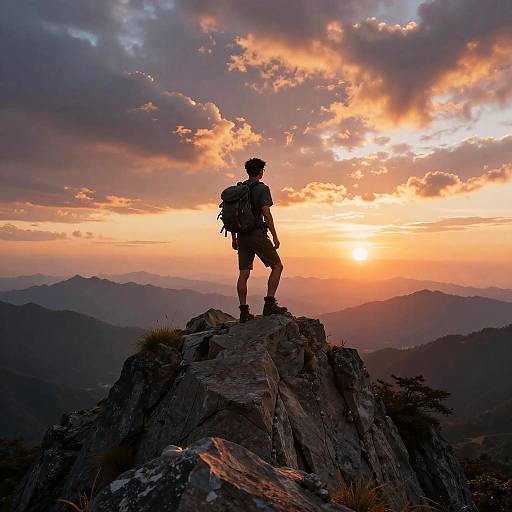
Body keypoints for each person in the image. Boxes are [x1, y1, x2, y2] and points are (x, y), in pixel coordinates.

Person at [231, 157, 289, 323]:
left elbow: (234, 215)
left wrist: (234, 238)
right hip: (256, 234)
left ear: (248, 171)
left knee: (243, 273)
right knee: (277, 266)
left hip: (241, 235)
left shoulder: (239, 189)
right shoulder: (262, 189)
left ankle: (243, 311)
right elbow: (267, 214)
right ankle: (269, 304)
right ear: (261, 172)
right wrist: (275, 236)